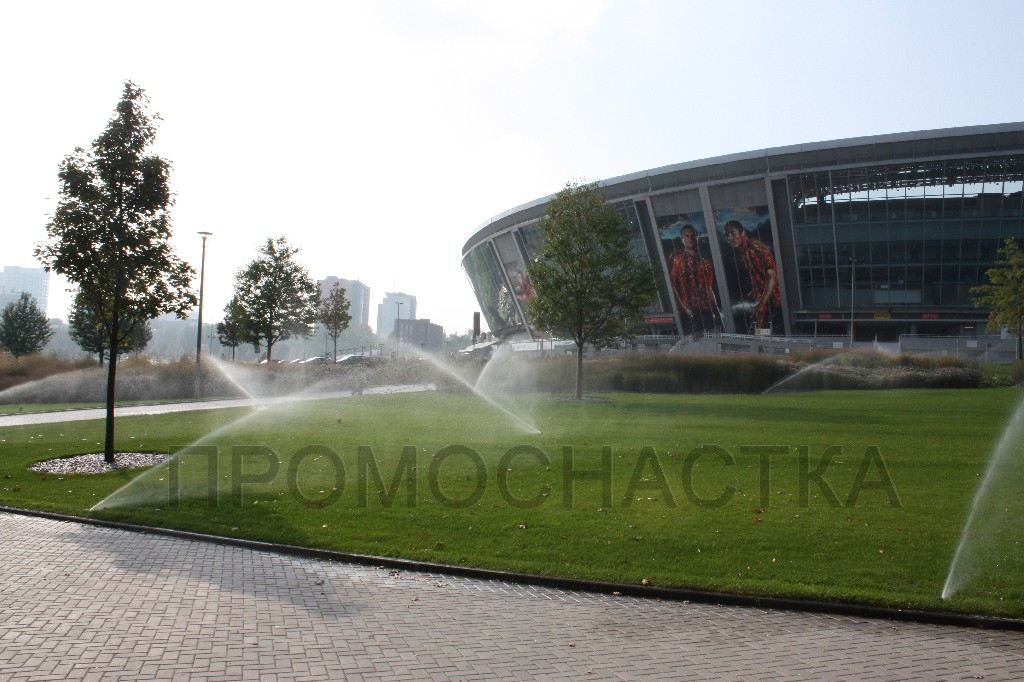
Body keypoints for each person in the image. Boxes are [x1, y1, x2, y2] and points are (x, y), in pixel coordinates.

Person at [723, 220, 780, 331]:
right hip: (764, 304)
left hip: (772, 303)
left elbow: (772, 276)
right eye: (727, 235)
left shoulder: (755, 249)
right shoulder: (745, 251)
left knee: (763, 337)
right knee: (760, 336)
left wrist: (762, 303)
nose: (730, 237)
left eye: (732, 233)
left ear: (742, 232)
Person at [668, 224, 721, 335]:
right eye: (686, 236)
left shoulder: (705, 260)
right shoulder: (676, 258)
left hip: (706, 311)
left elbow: (709, 288)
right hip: (689, 312)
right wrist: (683, 308)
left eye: (692, 235)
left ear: (697, 237)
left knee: (714, 342)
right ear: (682, 239)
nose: (690, 238)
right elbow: (672, 285)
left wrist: (717, 312)